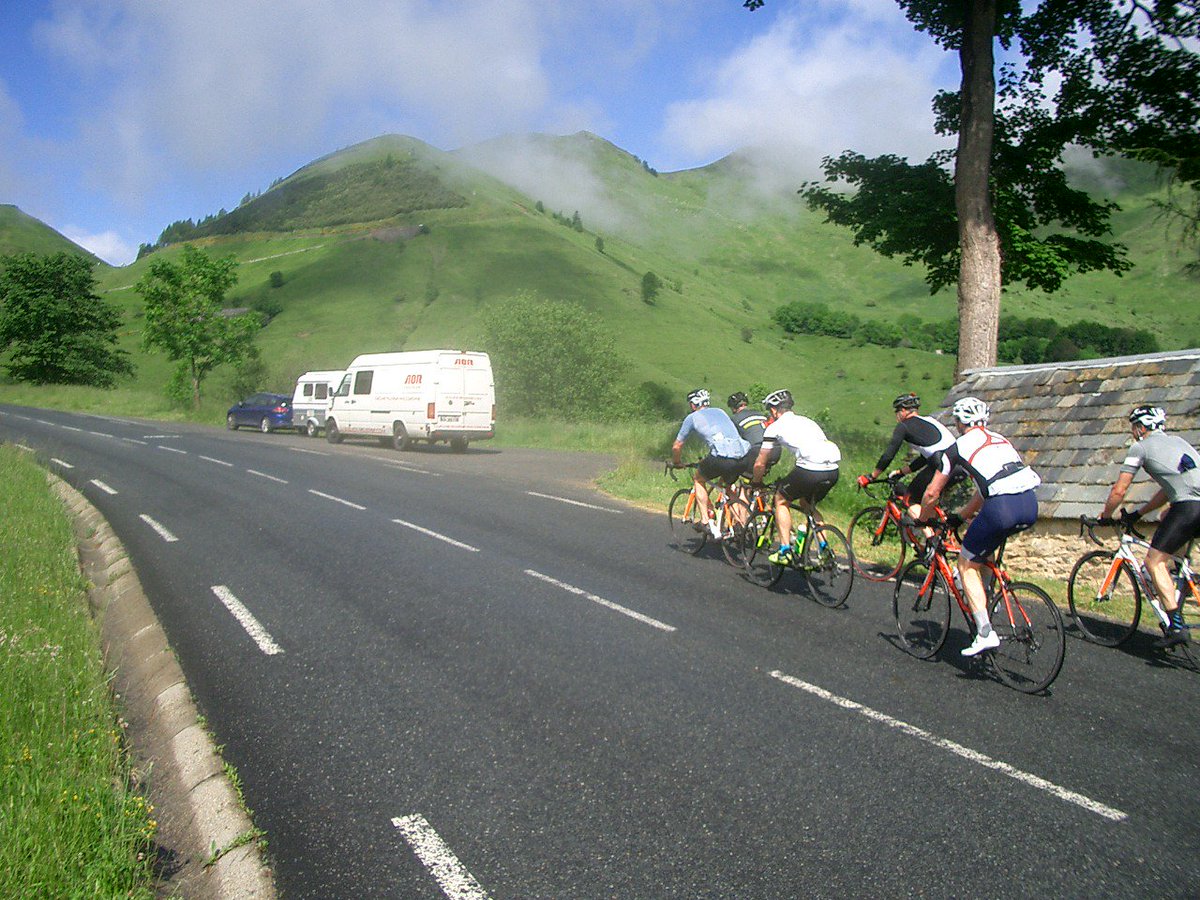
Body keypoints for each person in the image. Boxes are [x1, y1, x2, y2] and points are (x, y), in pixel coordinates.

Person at [919, 396, 1041, 657]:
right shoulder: (1000, 440)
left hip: (1002, 507)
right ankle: (986, 600)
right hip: (1029, 504)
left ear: (960, 422)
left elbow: (932, 493)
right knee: (983, 550)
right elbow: (985, 490)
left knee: (965, 564)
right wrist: (961, 517)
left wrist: (923, 519)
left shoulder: (958, 447)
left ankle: (985, 632)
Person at [1098, 405, 1200, 647]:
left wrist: (1105, 515)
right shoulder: (1179, 442)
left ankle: (1176, 626)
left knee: (1153, 561)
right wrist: (1139, 513)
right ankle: (1178, 579)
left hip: (1188, 507)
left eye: (1134, 427)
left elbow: (1119, 490)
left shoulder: (1140, 447)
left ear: (1142, 427)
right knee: (1166, 518)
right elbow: (1169, 490)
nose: (1133, 432)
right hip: (1190, 505)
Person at [750, 389, 841, 565]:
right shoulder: (808, 422)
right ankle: (824, 548)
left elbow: (760, 463)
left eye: (771, 410)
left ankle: (784, 550)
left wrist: (757, 482)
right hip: (832, 470)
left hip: (810, 469)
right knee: (808, 504)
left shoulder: (773, 427)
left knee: (780, 500)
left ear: (775, 410)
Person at [857, 393, 955, 530]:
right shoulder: (930, 421)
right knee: (930, 502)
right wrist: (901, 472)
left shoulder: (903, 426)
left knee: (909, 499)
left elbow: (889, 454)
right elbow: (925, 458)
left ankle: (931, 539)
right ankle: (942, 536)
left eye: (897, 411)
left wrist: (872, 476)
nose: (896, 415)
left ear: (903, 410)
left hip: (941, 466)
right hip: (959, 466)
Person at [671, 388, 752, 539]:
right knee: (728, 488)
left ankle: (705, 521)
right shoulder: (720, 411)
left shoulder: (692, 417)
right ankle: (740, 523)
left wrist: (677, 462)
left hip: (722, 457)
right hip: (743, 457)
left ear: (694, 404)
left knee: (698, 479)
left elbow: (677, 446)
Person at [728, 391, 780, 478]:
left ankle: (745, 490)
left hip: (757, 450)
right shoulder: (760, 414)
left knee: (744, 474)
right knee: (758, 476)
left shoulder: (734, 419)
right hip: (776, 450)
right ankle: (759, 488)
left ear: (733, 408)